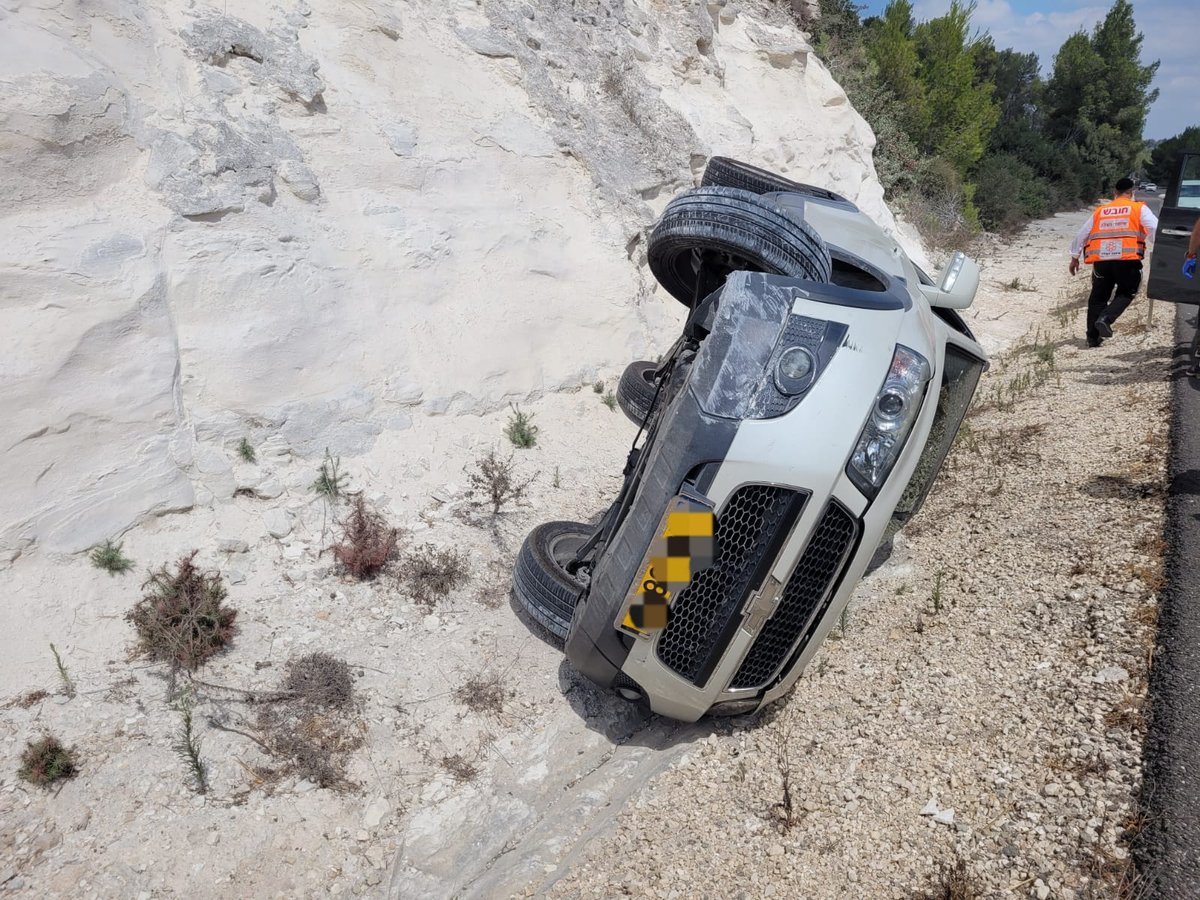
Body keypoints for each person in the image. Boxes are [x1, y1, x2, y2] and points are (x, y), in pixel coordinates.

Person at [1068, 177, 1159, 347]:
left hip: (1102, 260)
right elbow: (1154, 227)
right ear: (1132, 193)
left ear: (1115, 193)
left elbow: (1082, 234)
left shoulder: (1101, 210)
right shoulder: (1139, 208)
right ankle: (1106, 318)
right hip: (1127, 260)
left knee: (1098, 297)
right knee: (1127, 292)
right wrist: (1157, 246)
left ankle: (1093, 338)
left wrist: (1075, 257)